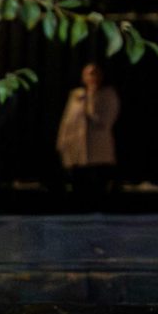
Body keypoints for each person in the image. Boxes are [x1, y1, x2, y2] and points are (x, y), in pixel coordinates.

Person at [55, 62, 121, 211]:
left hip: (98, 155)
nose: (92, 77)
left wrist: (91, 96)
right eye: (88, 73)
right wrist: (62, 144)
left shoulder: (108, 95)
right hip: (77, 154)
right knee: (78, 193)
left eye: (95, 73)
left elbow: (103, 121)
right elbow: (67, 121)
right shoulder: (76, 95)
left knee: (97, 194)